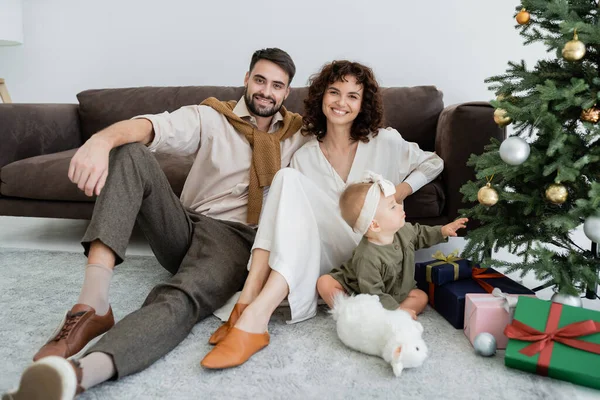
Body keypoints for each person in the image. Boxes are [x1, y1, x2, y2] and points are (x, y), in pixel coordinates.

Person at [4, 48, 308, 400]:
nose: (266, 91)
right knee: (130, 151)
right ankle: (93, 304)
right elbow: (153, 126)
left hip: (234, 240)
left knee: (179, 298)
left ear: (286, 93)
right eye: (260, 80)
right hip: (184, 226)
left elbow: (345, 143)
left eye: (276, 85)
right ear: (246, 79)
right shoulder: (211, 116)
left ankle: (80, 374)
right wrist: (100, 140)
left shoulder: (299, 135)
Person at [201, 60, 444, 369]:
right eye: (334, 92)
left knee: (286, 180)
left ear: (362, 104)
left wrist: (398, 193)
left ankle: (252, 313)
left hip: (370, 248)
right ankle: (249, 302)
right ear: (321, 97)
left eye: (352, 96)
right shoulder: (304, 154)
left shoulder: (385, 141)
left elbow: (434, 163)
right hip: (326, 256)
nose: (341, 102)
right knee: (285, 178)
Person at [317, 172, 469, 320]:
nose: (400, 206)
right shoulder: (367, 257)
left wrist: (443, 230)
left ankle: (395, 316)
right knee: (325, 283)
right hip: (361, 291)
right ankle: (352, 314)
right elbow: (372, 293)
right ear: (375, 225)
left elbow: (421, 234)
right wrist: (393, 308)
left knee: (421, 297)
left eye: (396, 203)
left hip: (397, 291)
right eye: (392, 207)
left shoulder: (404, 231)